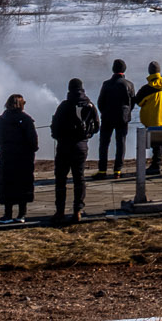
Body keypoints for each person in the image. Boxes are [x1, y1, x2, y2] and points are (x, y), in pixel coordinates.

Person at [49, 78, 100, 225]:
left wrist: (58, 137)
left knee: (60, 179)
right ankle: (77, 210)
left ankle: (60, 212)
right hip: (81, 146)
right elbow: (96, 127)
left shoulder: (64, 106)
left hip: (64, 146)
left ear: (69, 90)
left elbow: (55, 127)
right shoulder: (90, 105)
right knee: (79, 178)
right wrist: (86, 136)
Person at [0, 93, 38, 223]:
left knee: (7, 185)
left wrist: (3, 146)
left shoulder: (1, 120)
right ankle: (21, 215)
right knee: (24, 185)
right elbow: (33, 140)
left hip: (7, 157)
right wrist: (31, 150)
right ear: (21, 105)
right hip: (24, 158)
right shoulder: (27, 120)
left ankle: (7, 215)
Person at [96, 59, 134, 179]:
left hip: (107, 117)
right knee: (120, 143)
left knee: (104, 144)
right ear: (124, 70)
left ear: (113, 69)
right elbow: (132, 102)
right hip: (122, 118)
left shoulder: (106, 84)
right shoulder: (129, 84)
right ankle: (117, 170)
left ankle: (102, 170)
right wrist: (126, 112)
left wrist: (104, 112)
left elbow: (100, 102)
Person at [133, 61, 162, 172]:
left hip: (150, 119)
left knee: (153, 143)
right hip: (161, 117)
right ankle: (156, 163)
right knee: (159, 143)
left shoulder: (146, 89)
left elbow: (138, 102)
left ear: (149, 72)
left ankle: (155, 165)